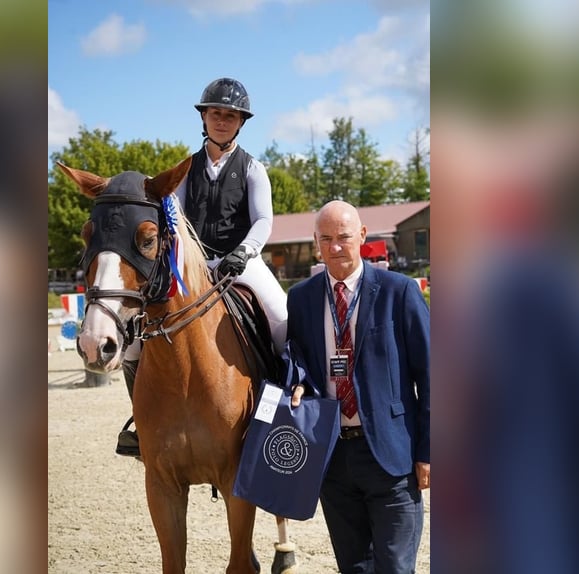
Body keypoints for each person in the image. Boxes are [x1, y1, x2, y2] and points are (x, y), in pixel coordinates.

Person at [116, 77, 288, 457]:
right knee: (135, 341)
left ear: (241, 122)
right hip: (192, 267)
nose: (222, 121)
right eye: (216, 114)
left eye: (230, 115)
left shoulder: (252, 169)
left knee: (283, 320)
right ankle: (140, 423)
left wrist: (243, 252)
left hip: (240, 262)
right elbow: (171, 215)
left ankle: (283, 416)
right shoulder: (185, 169)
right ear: (204, 117)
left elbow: (263, 220)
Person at [287, 200, 430, 573]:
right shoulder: (300, 298)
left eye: (345, 237)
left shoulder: (399, 292)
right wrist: (296, 376)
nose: (336, 247)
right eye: (327, 239)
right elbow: (295, 356)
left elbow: (431, 375)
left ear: (363, 236)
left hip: (391, 454)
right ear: (317, 242)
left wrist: (429, 450)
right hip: (333, 458)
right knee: (354, 568)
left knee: (396, 567)